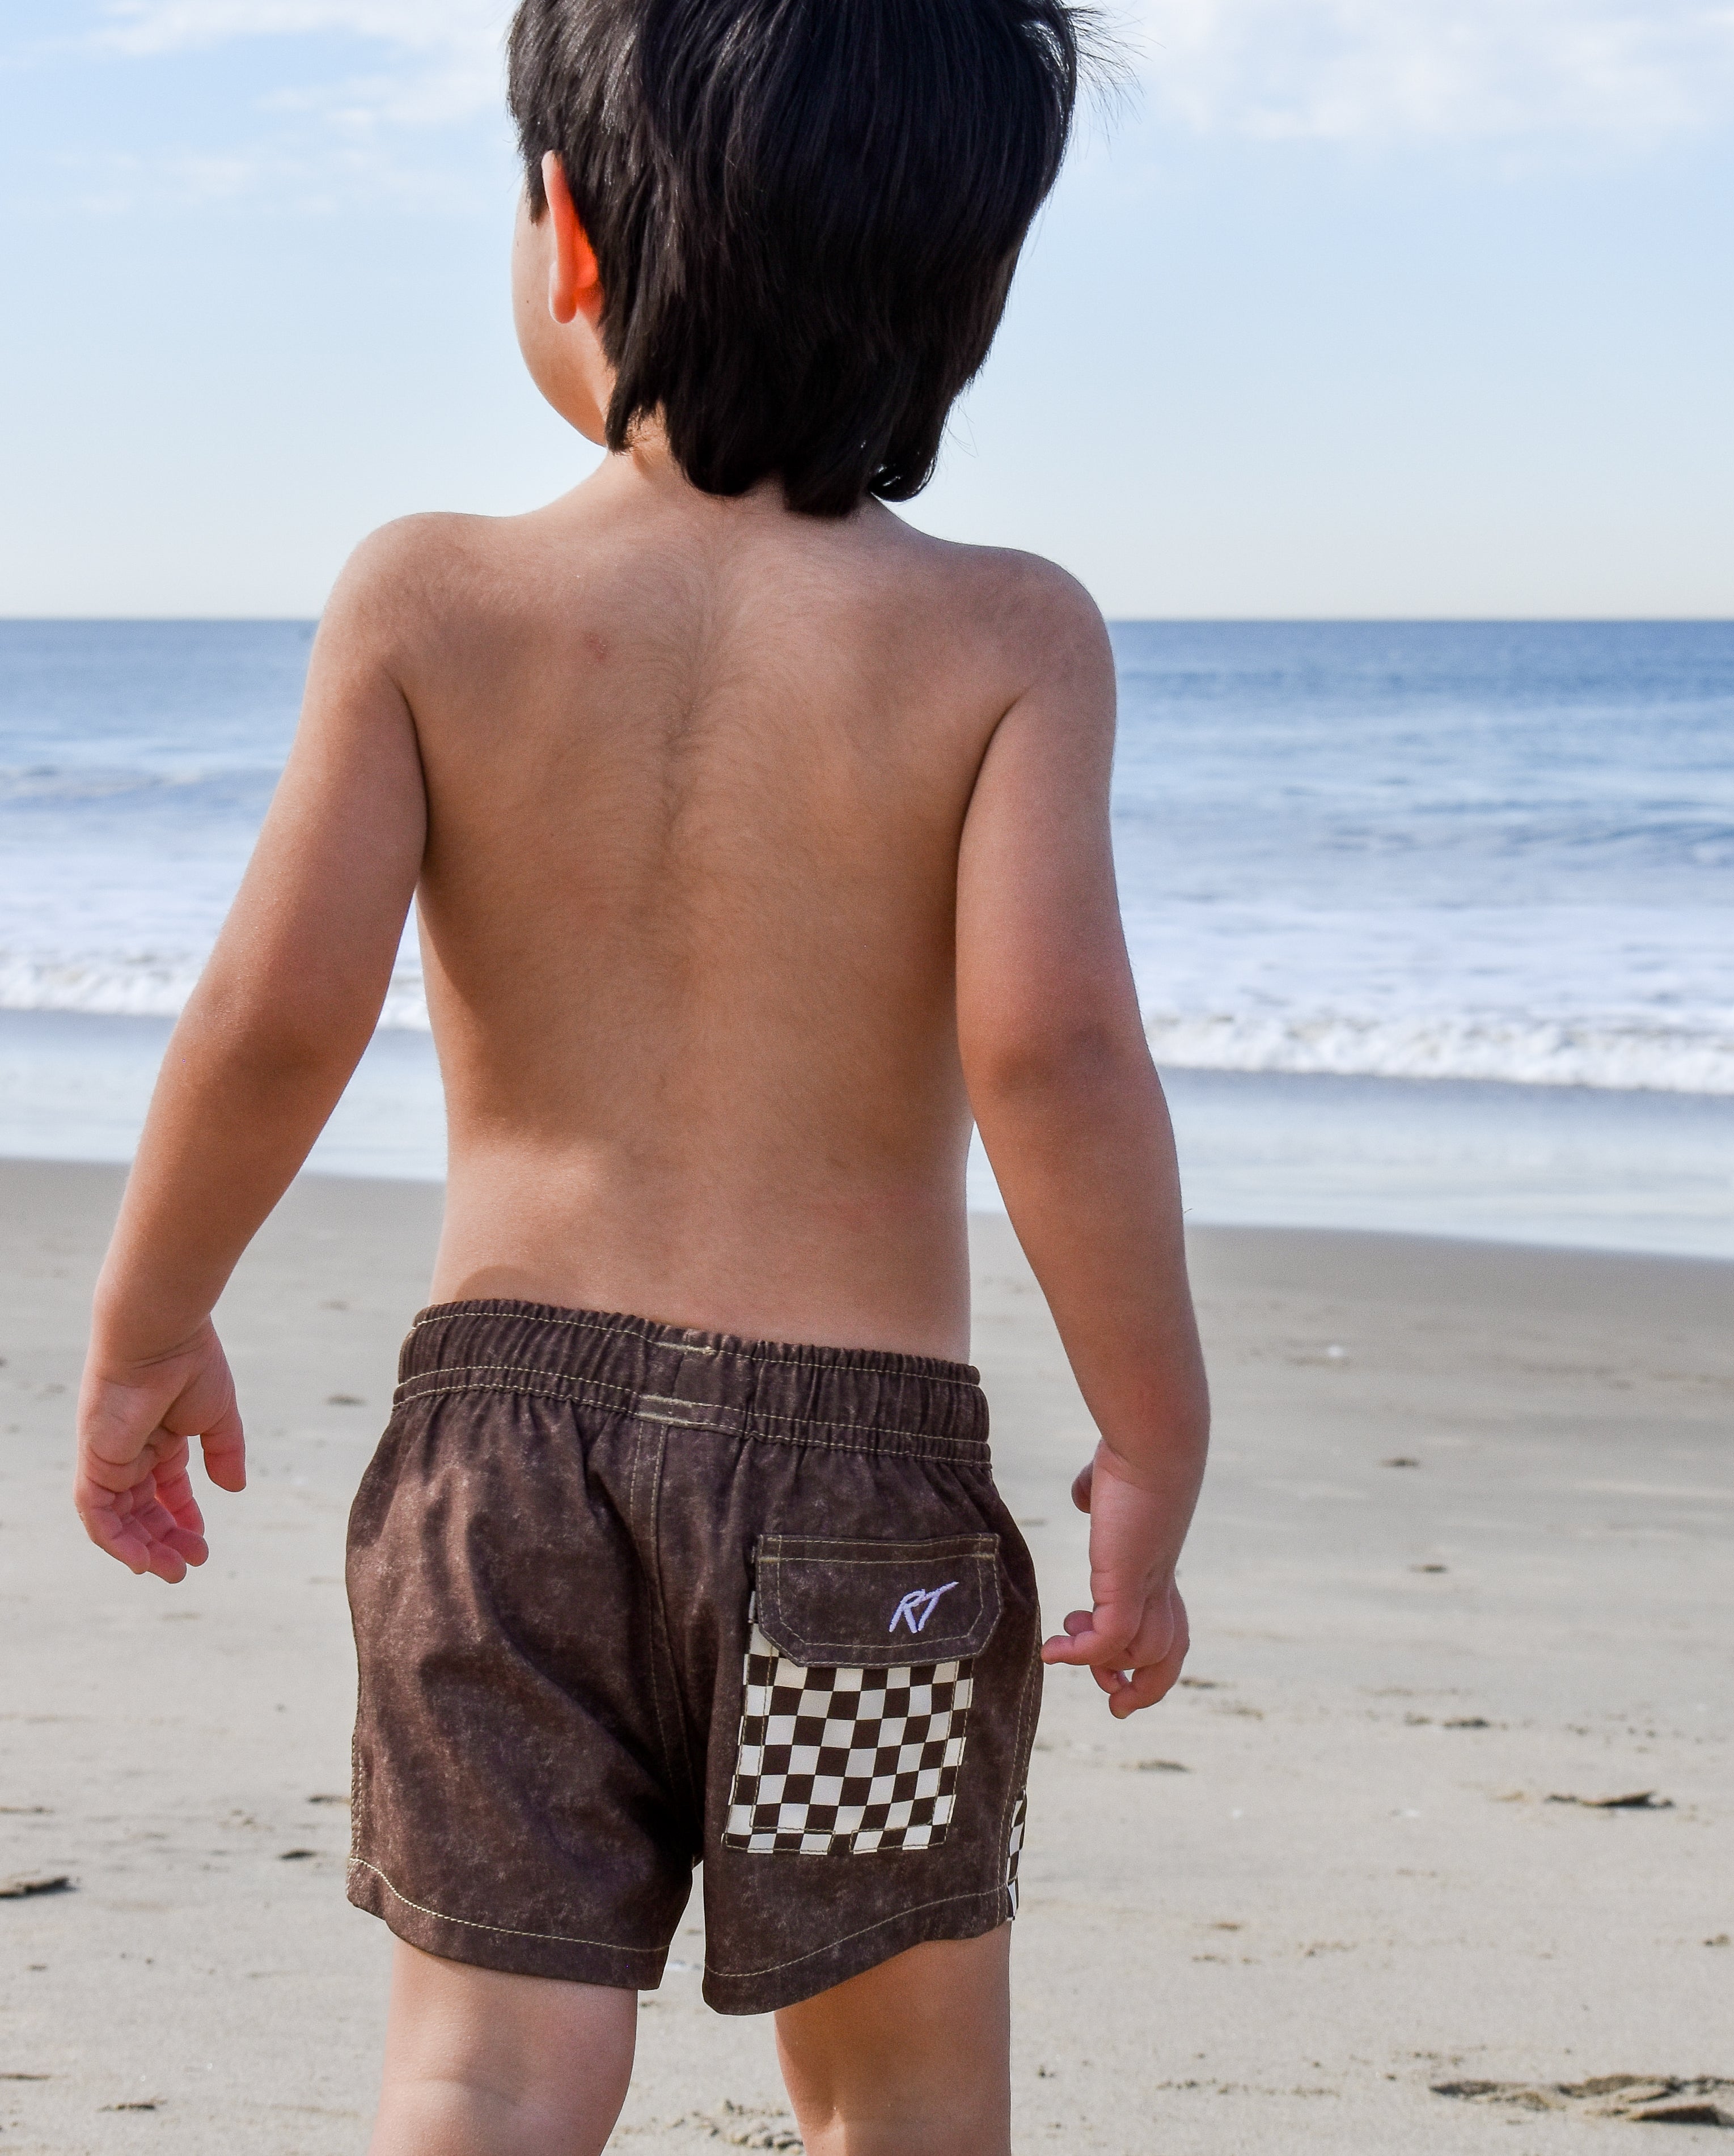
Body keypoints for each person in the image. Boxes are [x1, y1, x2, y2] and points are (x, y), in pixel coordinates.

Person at [70, 3, 1209, 2149]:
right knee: (897, 2084)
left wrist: (148, 1323)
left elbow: (273, 1015)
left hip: (504, 1481)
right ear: (967, 295)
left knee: (486, 2068)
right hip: (859, 1509)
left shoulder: (428, 600)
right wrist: (1151, 1426)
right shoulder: (1008, 639)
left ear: (570, 236)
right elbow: (1055, 1055)